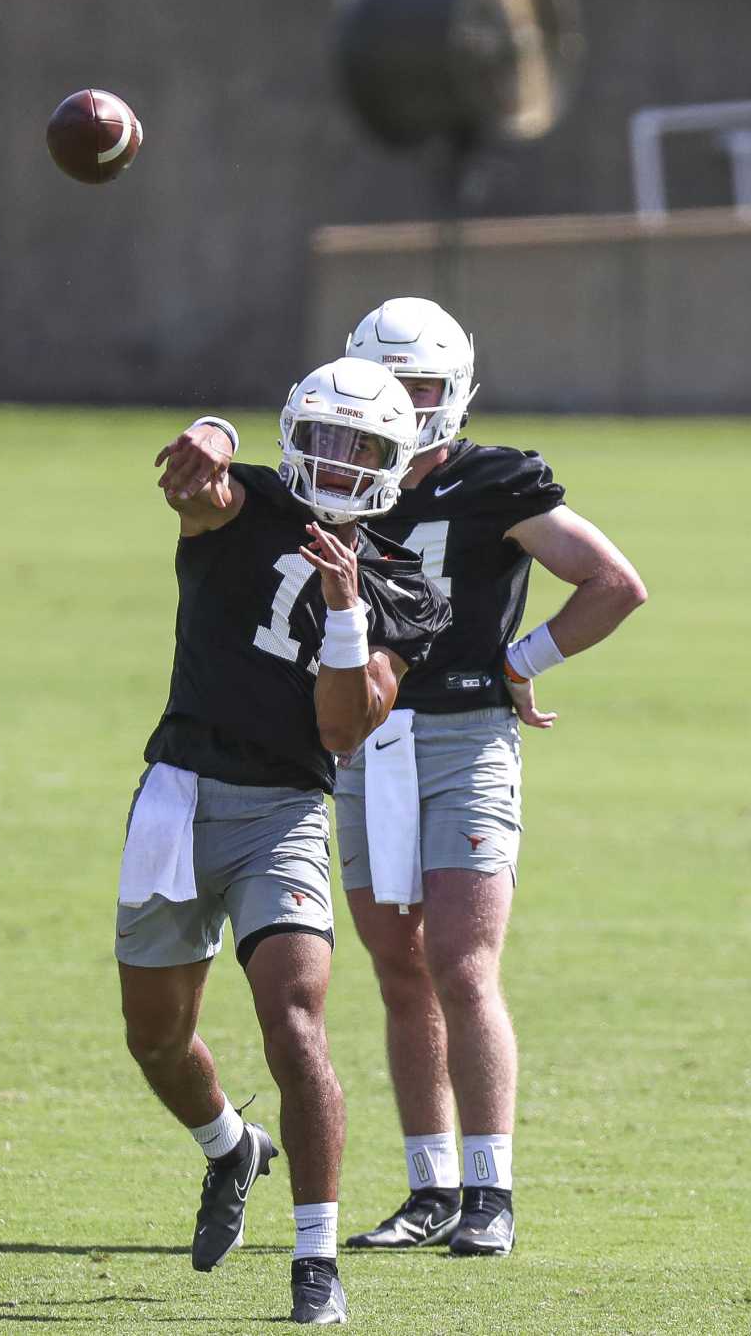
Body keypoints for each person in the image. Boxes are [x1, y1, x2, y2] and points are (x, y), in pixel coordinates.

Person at [122, 358, 450, 1325]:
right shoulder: (251, 502)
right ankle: (230, 1145)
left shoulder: (402, 589)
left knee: (295, 1022)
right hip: (179, 796)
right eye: (329, 437)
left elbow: (345, 730)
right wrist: (210, 431)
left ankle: (315, 1260)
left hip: (284, 812)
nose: (340, 461)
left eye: (362, 448)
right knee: (156, 1038)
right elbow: (201, 482)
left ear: (393, 463)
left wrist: (346, 611)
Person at [333, 297, 647, 1255]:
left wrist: (522, 661)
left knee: (462, 964)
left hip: (466, 738)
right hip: (364, 741)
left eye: (422, 384)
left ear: (456, 389)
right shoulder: (335, 474)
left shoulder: (495, 481)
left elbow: (614, 583)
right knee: (397, 964)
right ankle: (429, 1189)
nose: (405, 401)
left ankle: (491, 1192)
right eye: (391, 382)